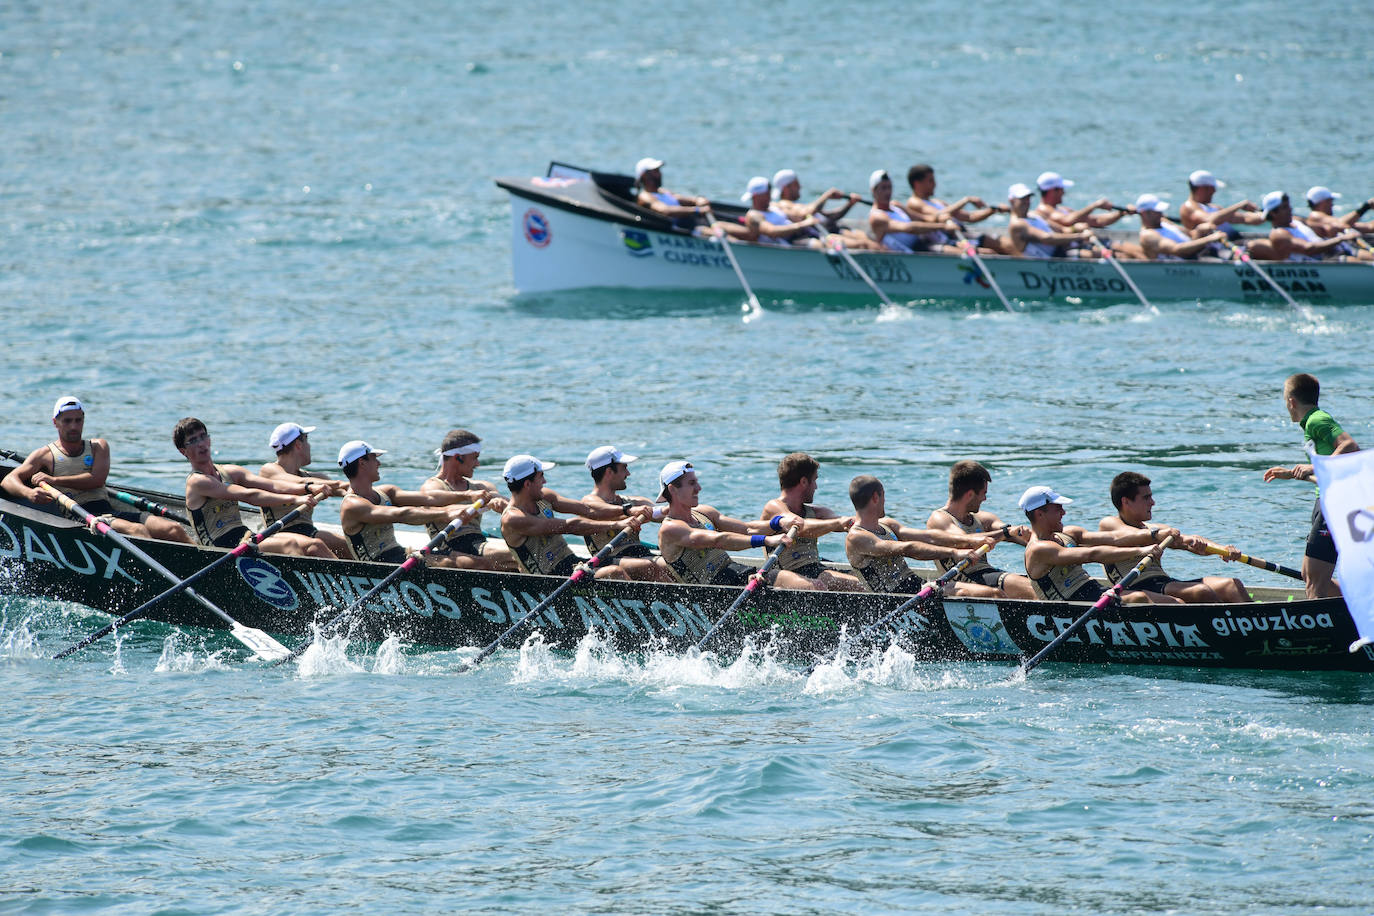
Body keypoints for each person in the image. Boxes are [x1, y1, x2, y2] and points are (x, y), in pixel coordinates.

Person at [3, 396, 190, 543]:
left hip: (108, 511)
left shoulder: (98, 446)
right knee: (138, 531)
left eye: (78, 420)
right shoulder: (44, 455)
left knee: (173, 529)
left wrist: (53, 481)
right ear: (55, 422)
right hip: (82, 518)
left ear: (83, 420)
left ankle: (206, 564)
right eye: (67, 421)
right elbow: (8, 480)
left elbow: (96, 480)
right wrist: (29, 494)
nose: (74, 426)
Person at [173, 417, 332, 557]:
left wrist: (307, 487)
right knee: (291, 546)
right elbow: (249, 496)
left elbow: (272, 485)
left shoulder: (230, 471)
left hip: (244, 537)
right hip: (220, 550)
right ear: (183, 451)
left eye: (203, 437)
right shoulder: (197, 481)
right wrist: (297, 499)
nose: (201, 444)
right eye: (193, 440)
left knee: (314, 545)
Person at [1262, 373, 1359, 598]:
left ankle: (1318, 631)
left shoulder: (1317, 419)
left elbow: (1350, 446)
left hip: (1335, 503)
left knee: (1316, 580)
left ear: (1291, 402)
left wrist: (1313, 467)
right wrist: (1293, 474)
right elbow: (1329, 472)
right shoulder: (1311, 423)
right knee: (1310, 575)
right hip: (1324, 499)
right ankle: (1360, 604)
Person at [657, 460, 815, 587]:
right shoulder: (670, 528)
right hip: (713, 593)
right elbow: (719, 540)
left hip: (736, 574)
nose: (699, 488)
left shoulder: (704, 512)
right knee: (803, 585)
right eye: (692, 483)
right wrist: (766, 540)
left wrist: (777, 523)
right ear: (673, 490)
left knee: (811, 584)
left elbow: (746, 528)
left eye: (697, 482)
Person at [1099, 472, 1251, 603]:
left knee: (1232, 585)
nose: (1153, 503)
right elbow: (1131, 535)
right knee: (1201, 591)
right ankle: (1228, 626)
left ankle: (1255, 623)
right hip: (1135, 588)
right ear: (1126, 502)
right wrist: (1160, 535)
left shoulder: (1153, 528)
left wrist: (1222, 550)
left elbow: (1190, 540)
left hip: (1163, 583)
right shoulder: (1109, 524)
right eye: (1146, 498)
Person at [1019, 485, 1180, 604]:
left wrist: (1155, 534)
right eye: (1058, 509)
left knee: (1174, 602)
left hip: (1093, 591)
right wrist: (1141, 551)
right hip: (1071, 605)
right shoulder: (1039, 549)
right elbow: (1092, 555)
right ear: (1040, 514)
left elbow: (1115, 538)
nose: (1064, 513)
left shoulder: (1068, 534)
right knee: (1139, 597)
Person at [336, 439, 486, 565]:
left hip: (398, 556)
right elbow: (403, 514)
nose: (379, 463)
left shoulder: (386, 492)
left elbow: (429, 498)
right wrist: (445, 514)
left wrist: (468, 495)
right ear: (362, 463)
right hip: (377, 567)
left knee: (465, 559)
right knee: (454, 562)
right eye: (375, 458)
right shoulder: (352, 505)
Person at [845, 474, 997, 595]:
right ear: (876, 497)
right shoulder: (856, 537)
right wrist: (953, 552)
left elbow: (928, 536)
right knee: (985, 594)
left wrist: (970, 540)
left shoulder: (887, 524)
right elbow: (908, 548)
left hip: (917, 588)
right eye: (884, 495)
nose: (885, 500)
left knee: (992, 593)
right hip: (895, 601)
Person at [500, 454, 646, 579]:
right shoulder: (513, 518)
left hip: (573, 564)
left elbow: (588, 510)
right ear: (527, 484)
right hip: (548, 579)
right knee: (615, 572)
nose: (544, 482)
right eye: (541, 476)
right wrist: (617, 525)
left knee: (635, 566)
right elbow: (569, 526)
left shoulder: (545, 497)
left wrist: (626, 511)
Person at [926, 460, 1036, 599]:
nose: (985, 498)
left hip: (985, 574)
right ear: (970, 495)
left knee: (1036, 585)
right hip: (960, 580)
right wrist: (1006, 532)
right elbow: (967, 542)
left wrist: (1038, 538)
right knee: (1027, 587)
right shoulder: (939, 519)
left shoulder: (982, 518)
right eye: (983, 493)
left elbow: (1012, 534)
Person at [758, 452, 862, 591]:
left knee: (864, 581)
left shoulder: (816, 512)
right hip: (784, 574)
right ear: (804, 482)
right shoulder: (774, 507)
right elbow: (802, 527)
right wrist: (838, 523)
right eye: (815, 480)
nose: (816, 487)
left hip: (813, 570)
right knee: (828, 580)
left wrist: (863, 523)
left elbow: (847, 522)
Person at [419, 429, 517, 571]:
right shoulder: (433, 486)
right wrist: (471, 497)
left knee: (527, 551)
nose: (477, 464)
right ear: (458, 457)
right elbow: (432, 498)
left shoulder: (481, 487)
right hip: (451, 548)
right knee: (516, 554)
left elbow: (512, 505)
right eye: (475, 457)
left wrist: (505, 506)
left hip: (478, 543)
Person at [258, 422, 352, 559]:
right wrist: (338, 484)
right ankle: (344, 579)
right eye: (307, 440)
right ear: (298, 444)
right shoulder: (269, 470)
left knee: (348, 545)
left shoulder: (313, 477)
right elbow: (298, 482)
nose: (310, 446)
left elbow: (345, 490)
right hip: (278, 534)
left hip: (308, 531)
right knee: (316, 546)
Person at [581, 445, 674, 582]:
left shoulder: (633, 501)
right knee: (649, 566)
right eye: (624, 468)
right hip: (606, 559)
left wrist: (674, 507)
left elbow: (660, 513)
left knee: (674, 564)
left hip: (638, 554)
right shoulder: (589, 501)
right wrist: (629, 511)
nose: (628, 473)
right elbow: (597, 509)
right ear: (609, 472)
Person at [904, 163, 1010, 254]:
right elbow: (939, 215)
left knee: (1004, 243)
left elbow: (970, 216)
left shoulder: (937, 202)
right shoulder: (914, 202)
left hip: (957, 237)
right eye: (930, 181)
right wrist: (966, 200)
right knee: (989, 253)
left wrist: (993, 210)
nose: (935, 184)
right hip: (939, 243)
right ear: (917, 183)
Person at [1034, 171, 1144, 259]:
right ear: (1053, 191)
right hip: (1072, 249)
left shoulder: (1063, 209)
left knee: (1134, 250)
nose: (1064, 193)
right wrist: (1094, 206)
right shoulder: (1043, 211)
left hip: (1089, 243)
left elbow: (1098, 221)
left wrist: (1121, 213)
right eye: (1062, 189)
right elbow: (1066, 221)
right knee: (1123, 256)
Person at [771, 169, 880, 250]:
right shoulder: (782, 205)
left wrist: (850, 204)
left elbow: (831, 217)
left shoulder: (799, 205)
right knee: (864, 244)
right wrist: (826, 196)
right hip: (825, 237)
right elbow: (805, 214)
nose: (800, 187)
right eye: (797, 184)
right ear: (786, 188)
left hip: (835, 230)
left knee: (866, 238)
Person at [867, 169, 962, 253]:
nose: (888, 192)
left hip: (921, 245)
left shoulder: (896, 205)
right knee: (953, 250)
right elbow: (909, 228)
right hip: (908, 253)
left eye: (889, 187)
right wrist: (943, 226)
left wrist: (940, 218)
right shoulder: (877, 217)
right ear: (873, 190)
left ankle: (970, 250)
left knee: (960, 247)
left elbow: (924, 218)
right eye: (883, 188)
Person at [1249, 192, 1360, 262]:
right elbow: (1309, 249)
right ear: (1273, 213)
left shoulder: (1296, 220)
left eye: (1289, 206)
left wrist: (1336, 228)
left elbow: (1321, 227)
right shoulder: (1279, 233)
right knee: (1355, 261)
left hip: (1331, 252)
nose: (1290, 209)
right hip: (1321, 262)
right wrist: (1340, 239)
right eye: (1285, 208)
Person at [1007, 182, 1095, 258]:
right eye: (1022, 199)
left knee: (1099, 247)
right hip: (1049, 260)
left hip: (1060, 252)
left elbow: (1062, 230)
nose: (1027, 202)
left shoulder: (1034, 215)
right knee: (1091, 254)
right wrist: (1080, 236)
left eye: (1028, 198)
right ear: (1011, 201)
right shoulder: (1017, 224)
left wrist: (1075, 228)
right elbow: (1046, 237)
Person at [1133, 194, 1228, 261]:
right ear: (1144, 213)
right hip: (1186, 265)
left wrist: (1200, 230)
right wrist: (1209, 239)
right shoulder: (1148, 235)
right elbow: (1177, 249)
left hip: (1197, 255)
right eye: (1156, 211)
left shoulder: (1163, 222)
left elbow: (1191, 235)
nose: (1161, 214)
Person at [1178, 169, 1264, 240]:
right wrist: (1240, 205)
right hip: (1209, 250)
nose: (1214, 191)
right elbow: (1209, 220)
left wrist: (1267, 214)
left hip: (1232, 241)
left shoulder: (1214, 208)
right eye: (1212, 188)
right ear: (1202, 189)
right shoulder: (1188, 207)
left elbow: (1246, 218)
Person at [738, 176, 822, 247]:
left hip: (802, 235)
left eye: (769, 192)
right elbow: (772, 231)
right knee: (817, 244)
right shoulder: (753, 215)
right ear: (756, 196)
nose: (769, 195)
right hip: (788, 243)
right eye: (767, 193)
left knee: (832, 239)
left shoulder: (773, 206)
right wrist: (803, 224)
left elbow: (798, 214)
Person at [633, 157, 709, 231]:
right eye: (656, 171)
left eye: (659, 170)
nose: (660, 174)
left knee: (719, 225)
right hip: (676, 229)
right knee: (709, 230)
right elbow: (665, 210)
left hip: (690, 225)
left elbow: (682, 199)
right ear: (644, 175)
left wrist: (698, 199)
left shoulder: (663, 191)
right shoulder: (645, 196)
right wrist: (697, 210)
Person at [1302, 187, 1374, 261]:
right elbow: (1342, 224)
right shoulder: (1315, 215)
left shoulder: (1330, 220)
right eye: (1331, 201)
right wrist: (1366, 206)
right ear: (1324, 202)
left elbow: (1369, 227)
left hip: (1346, 248)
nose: (1332, 204)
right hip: (1331, 255)